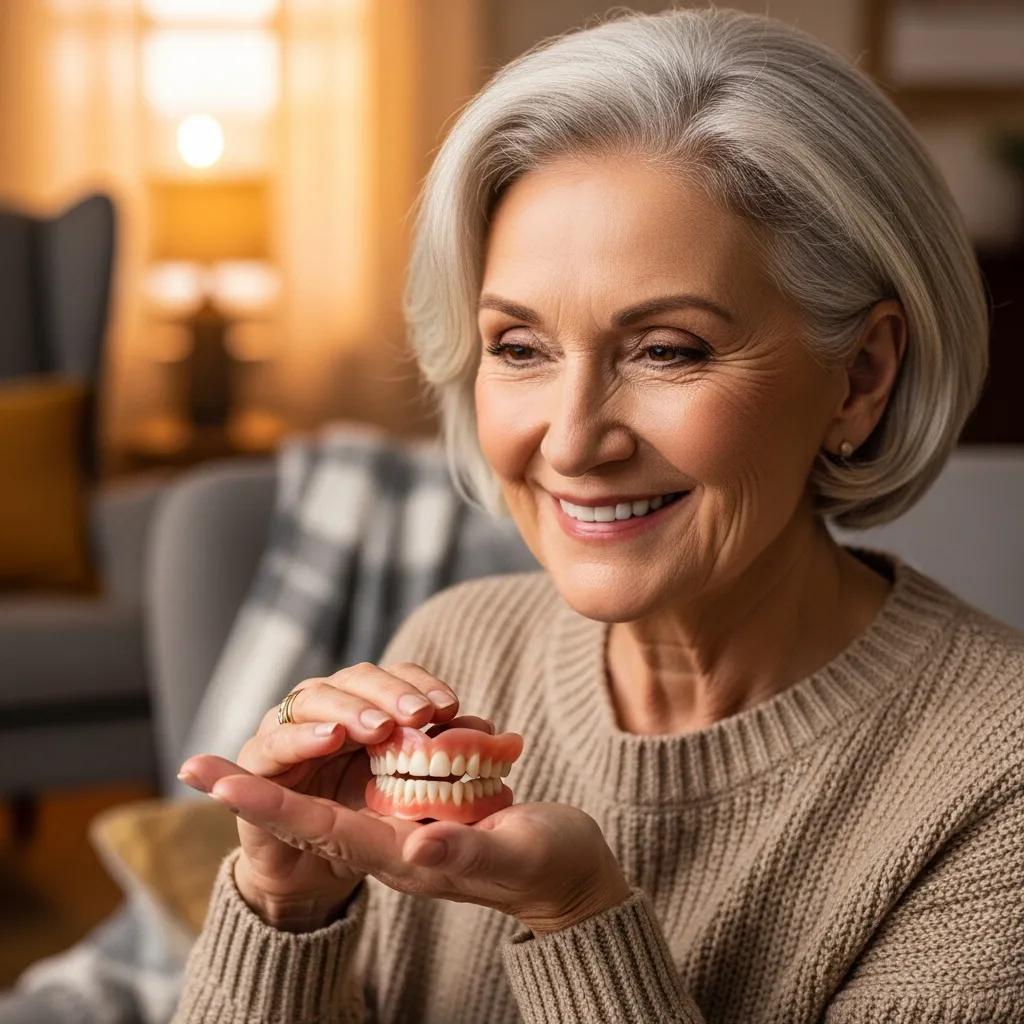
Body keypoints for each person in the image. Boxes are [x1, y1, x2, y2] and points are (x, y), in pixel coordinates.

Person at [170, 6, 1022, 1022]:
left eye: (667, 349)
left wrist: (577, 915)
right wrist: (284, 909)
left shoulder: (996, 775)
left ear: (861, 378)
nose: (571, 441)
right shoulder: (459, 650)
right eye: (520, 347)